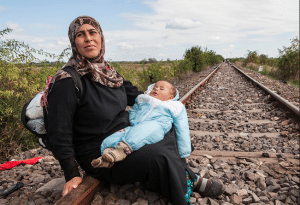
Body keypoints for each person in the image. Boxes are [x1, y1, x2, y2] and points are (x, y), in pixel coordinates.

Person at [45, 15, 224, 205]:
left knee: (167, 127)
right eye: (81, 35)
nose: (88, 38)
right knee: (158, 156)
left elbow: (139, 97)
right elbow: (58, 132)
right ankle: (183, 191)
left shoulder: (108, 73)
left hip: (127, 134)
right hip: (100, 151)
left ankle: (186, 176)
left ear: (101, 37)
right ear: (74, 42)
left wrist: (162, 104)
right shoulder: (67, 81)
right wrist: (71, 173)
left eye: (92, 32)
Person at [91, 80, 191, 168]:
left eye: (161, 89)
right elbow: (134, 110)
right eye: (155, 87)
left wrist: (183, 151)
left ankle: (121, 151)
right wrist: (133, 121)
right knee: (114, 137)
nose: (156, 89)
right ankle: (106, 157)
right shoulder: (144, 99)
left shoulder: (174, 106)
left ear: (171, 96)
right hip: (136, 126)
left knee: (140, 133)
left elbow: (182, 127)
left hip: (156, 126)